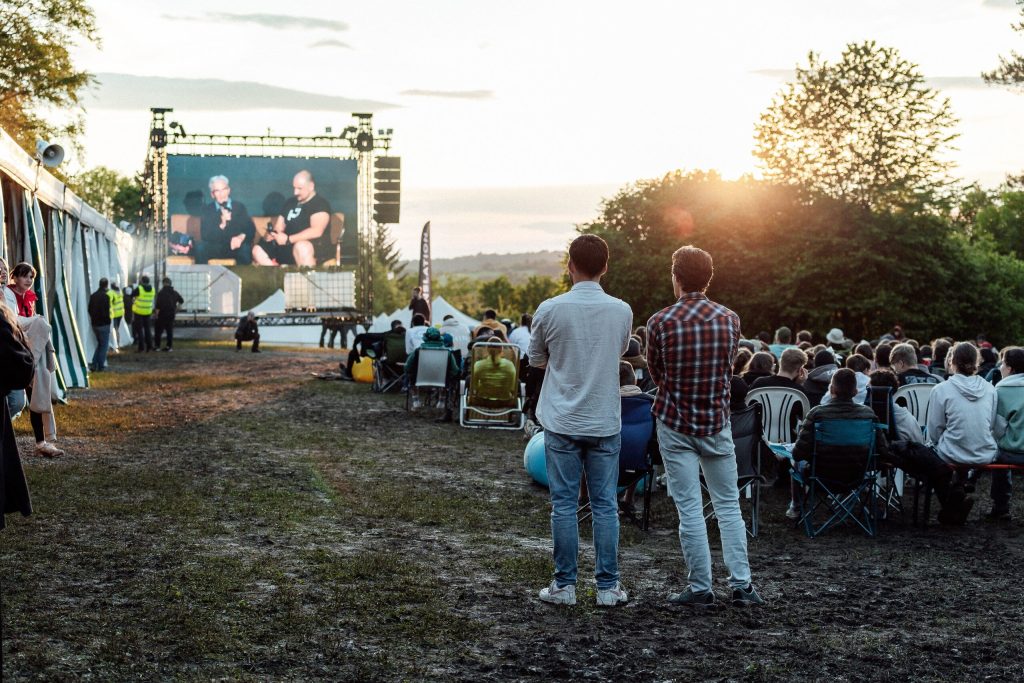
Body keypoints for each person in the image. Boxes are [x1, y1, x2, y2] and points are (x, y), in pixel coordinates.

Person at [647, 245, 763, 608]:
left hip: (675, 422)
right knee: (728, 505)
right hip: (715, 422)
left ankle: (700, 587)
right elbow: (728, 369)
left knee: (690, 509)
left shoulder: (659, 321)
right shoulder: (730, 319)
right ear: (708, 278)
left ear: (676, 277)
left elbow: (656, 373)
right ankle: (742, 584)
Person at [529, 234, 632, 608]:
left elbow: (536, 359)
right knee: (605, 505)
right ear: (605, 267)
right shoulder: (621, 311)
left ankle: (564, 585)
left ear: (570, 265)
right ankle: (608, 587)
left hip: (562, 419)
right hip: (603, 419)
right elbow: (620, 351)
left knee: (564, 505)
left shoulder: (550, 309)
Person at [7, 262, 64, 457]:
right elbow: (14, 321)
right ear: (15, 277)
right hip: (13, 353)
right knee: (16, 401)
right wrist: (37, 321)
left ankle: (41, 442)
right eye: (25, 276)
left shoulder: (30, 298)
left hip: (28, 353)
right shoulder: (7, 294)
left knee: (36, 395)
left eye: (31, 277)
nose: (29, 280)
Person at [927, 342, 999, 467]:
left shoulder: (940, 390)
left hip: (950, 453)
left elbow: (935, 432)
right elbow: (991, 425)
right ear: (977, 362)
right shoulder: (990, 389)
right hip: (985, 454)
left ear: (952, 361)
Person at [252, 170, 332, 266]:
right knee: (257, 250)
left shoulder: (320, 204)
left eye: (299, 188)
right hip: (287, 245)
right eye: (294, 188)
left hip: (310, 246)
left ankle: (307, 275)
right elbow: (279, 226)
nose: (295, 192)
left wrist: (289, 239)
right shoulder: (290, 202)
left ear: (311, 186)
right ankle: (277, 273)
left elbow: (317, 231)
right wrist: (274, 235)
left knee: (301, 247)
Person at [989, 348, 1024, 520]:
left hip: (1013, 453)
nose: (1000, 367)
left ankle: (1001, 506)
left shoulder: (1002, 390)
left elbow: (998, 428)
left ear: (1010, 368)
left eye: (1002, 363)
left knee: (998, 453)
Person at [195, 175, 255, 264]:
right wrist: (222, 224)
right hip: (215, 248)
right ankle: (203, 273)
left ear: (229, 190)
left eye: (224, 189)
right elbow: (205, 235)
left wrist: (240, 237)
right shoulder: (207, 210)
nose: (221, 194)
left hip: (235, 247)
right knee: (200, 248)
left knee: (245, 249)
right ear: (212, 194)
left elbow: (250, 229)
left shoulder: (239, 207)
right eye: (217, 191)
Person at [87, 277, 112, 371]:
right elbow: (106, 311)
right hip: (104, 324)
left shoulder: (93, 296)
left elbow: (89, 309)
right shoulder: (106, 297)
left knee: (100, 344)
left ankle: (94, 364)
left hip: (95, 324)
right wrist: (108, 321)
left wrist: (94, 318)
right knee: (104, 345)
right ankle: (100, 365)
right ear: (106, 285)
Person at [154, 277, 184, 352]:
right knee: (169, 331)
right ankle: (169, 347)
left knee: (158, 331)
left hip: (162, 314)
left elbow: (158, 305)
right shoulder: (175, 292)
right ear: (170, 283)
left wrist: (156, 315)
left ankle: (157, 346)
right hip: (171, 314)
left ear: (164, 283)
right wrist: (178, 307)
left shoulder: (161, 293)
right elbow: (181, 300)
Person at [132, 275, 156, 352]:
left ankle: (141, 347)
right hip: (148, 311)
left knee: (139, 330)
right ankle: (149, 346)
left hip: (138, 312)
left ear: (142, 281)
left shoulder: (139, 288)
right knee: (147, 329)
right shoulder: (153, 289)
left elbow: (132, 295)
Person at [108, 281, 125, 352]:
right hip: (120, 313)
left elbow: (108, 301)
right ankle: (118, 342)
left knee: (114, 329)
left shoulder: (111, 293)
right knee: (117, 328)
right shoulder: (120, 292)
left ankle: (116, 343)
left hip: (114, 313)